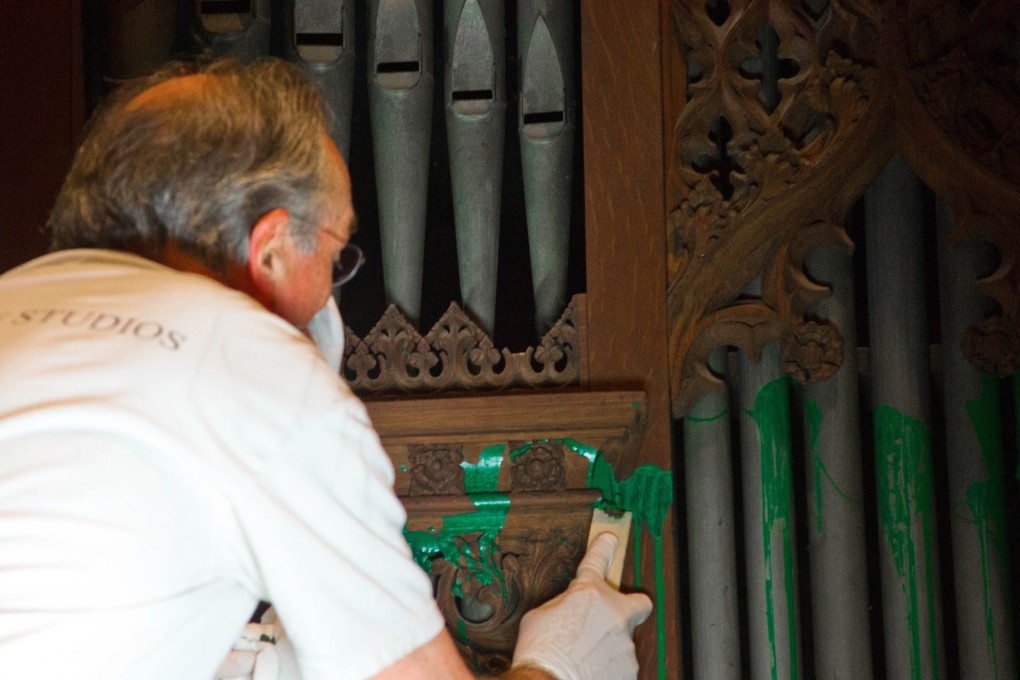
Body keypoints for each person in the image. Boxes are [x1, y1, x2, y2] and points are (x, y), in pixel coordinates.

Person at [0, 58, 651, 679]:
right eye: (338, 257)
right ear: (272, 249)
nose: (332, 296)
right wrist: (564, 664)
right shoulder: (256, 367)